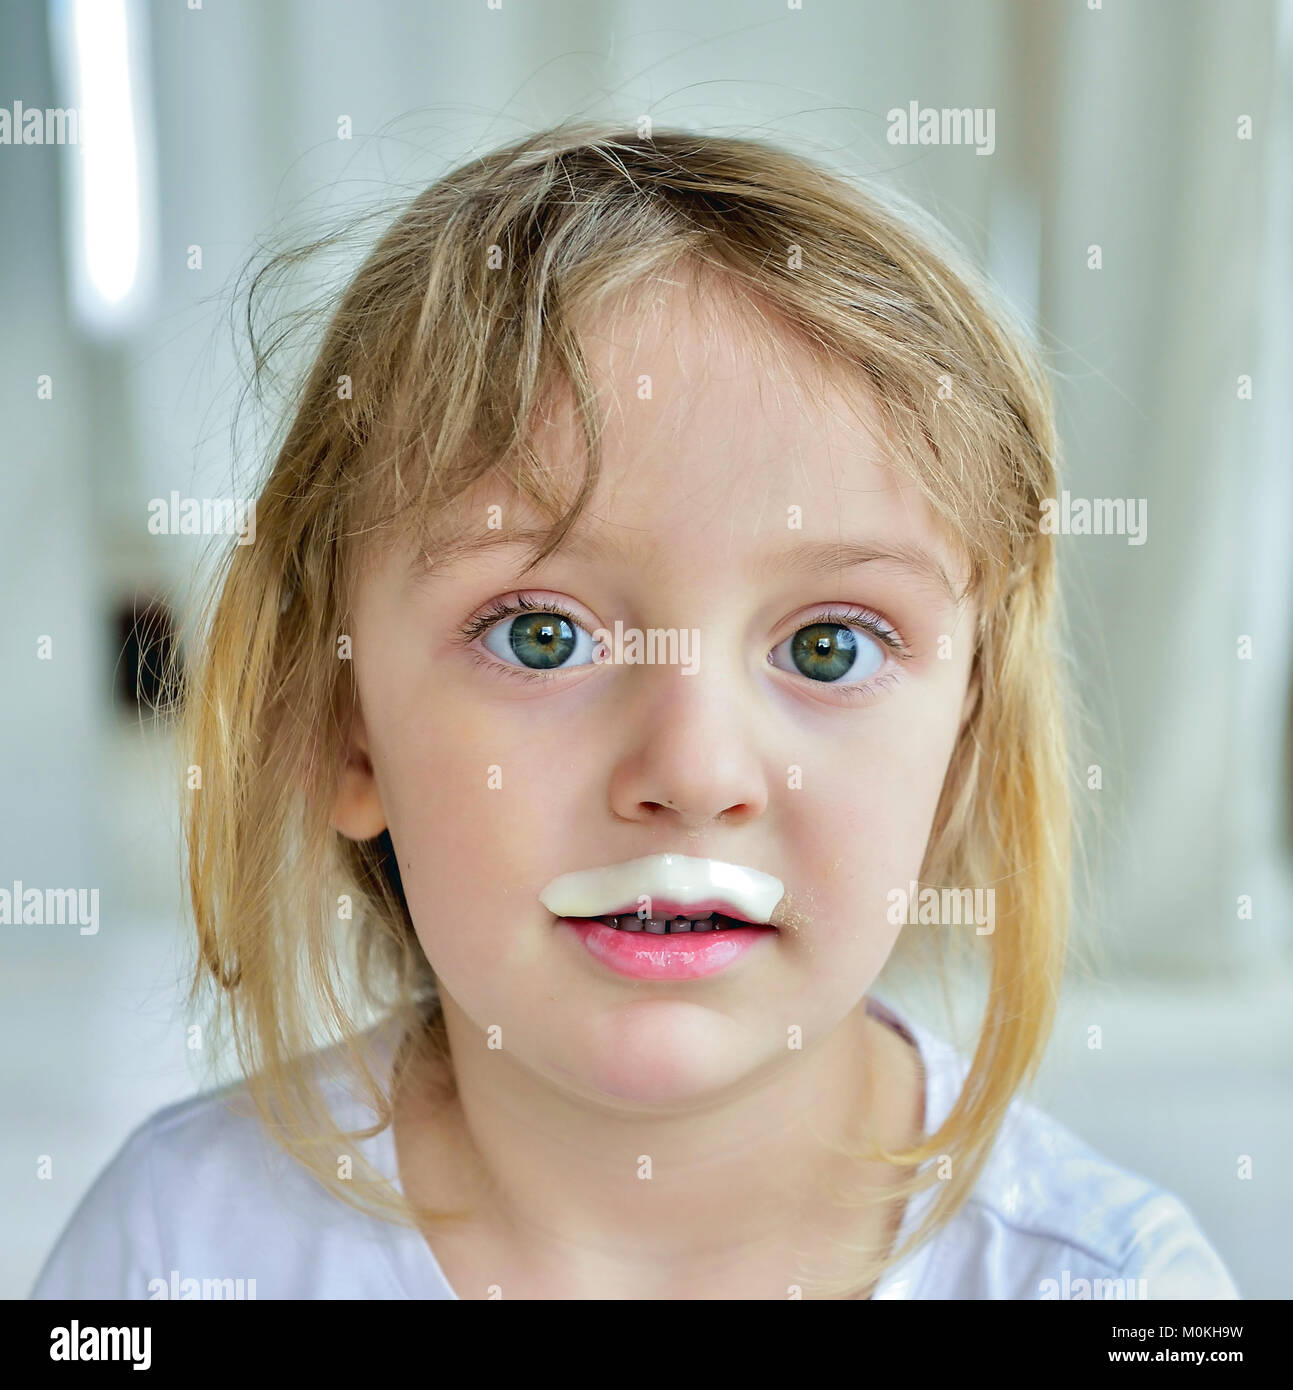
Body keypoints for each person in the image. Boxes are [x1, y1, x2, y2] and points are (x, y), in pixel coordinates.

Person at [31, 124, 1238, 1300]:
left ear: (963, 747)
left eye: (827, 647)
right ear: (343, 728)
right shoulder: (172, 1253)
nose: (695, 769)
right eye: (539, 635)